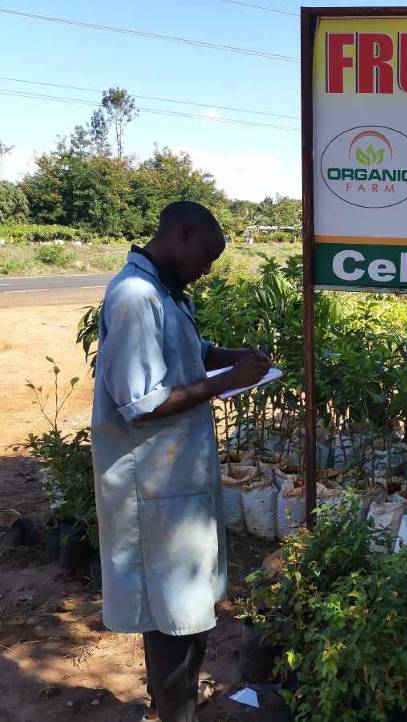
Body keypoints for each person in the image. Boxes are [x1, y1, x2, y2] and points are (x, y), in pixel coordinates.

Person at [91, 201, 271, 722]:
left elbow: (190, 351)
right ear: (182, 234)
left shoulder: (167, 293)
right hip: (152, 488)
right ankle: (174, 712)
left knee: (190, 610)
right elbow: (139, 402)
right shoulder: (134, 297)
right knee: (171, 615)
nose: (207, 270)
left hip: (178, 481)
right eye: (207, 257)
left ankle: (176, 705)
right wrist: (226, 384)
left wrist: (232, 358)